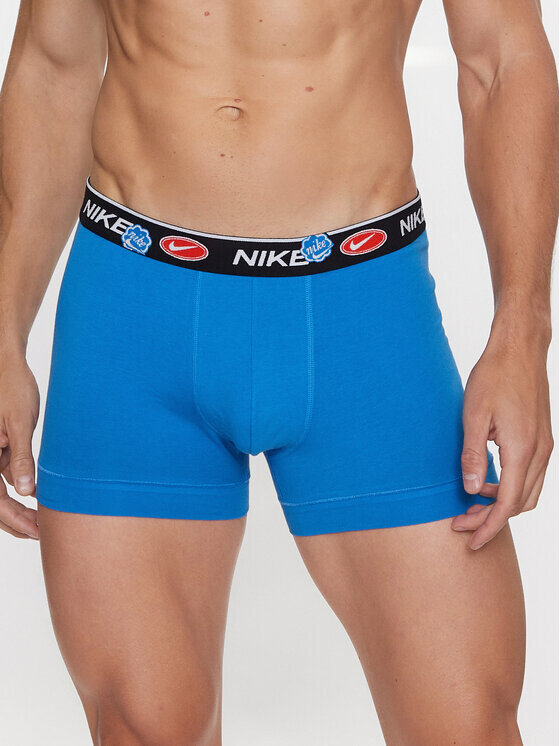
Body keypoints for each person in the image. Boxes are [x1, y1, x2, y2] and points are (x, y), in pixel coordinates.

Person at [0, 0, 557, 742]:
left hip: (363, 316)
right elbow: (53, 64)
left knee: (467, 727)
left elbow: (501, 60)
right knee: (144, 727)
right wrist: (2, 332)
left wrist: (522, 333)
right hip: (133, 314)